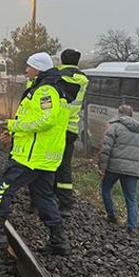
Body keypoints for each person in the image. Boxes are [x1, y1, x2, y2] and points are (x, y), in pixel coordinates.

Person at [0, 52, 71, 255]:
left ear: (38, 68)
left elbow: (44, 121)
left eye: (29, 66)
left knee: (1, 189)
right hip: (44, 158)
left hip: (31, 157)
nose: (26, 70)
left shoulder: (45, 91)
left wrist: (14, 125)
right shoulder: (54, 88)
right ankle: (59, 241)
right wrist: (13, 132)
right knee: (43, 198)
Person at [99, 104, 139, 236]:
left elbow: (106, 149)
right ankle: (132, 227)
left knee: (106, 188)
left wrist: (102, 167)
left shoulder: (114, 127)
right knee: (131, 197)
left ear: (119, 114)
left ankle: (111, 216)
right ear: (131, 115)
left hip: (114, 167)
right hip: (133, 170)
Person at [54, 49, 89, 214]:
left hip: (55, 128)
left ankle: (48, 197)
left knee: (49, 163)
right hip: (71, 129)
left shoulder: (55, 77)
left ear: (61, 60)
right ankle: (66, 203)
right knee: (65, 166)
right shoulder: (83, 81)